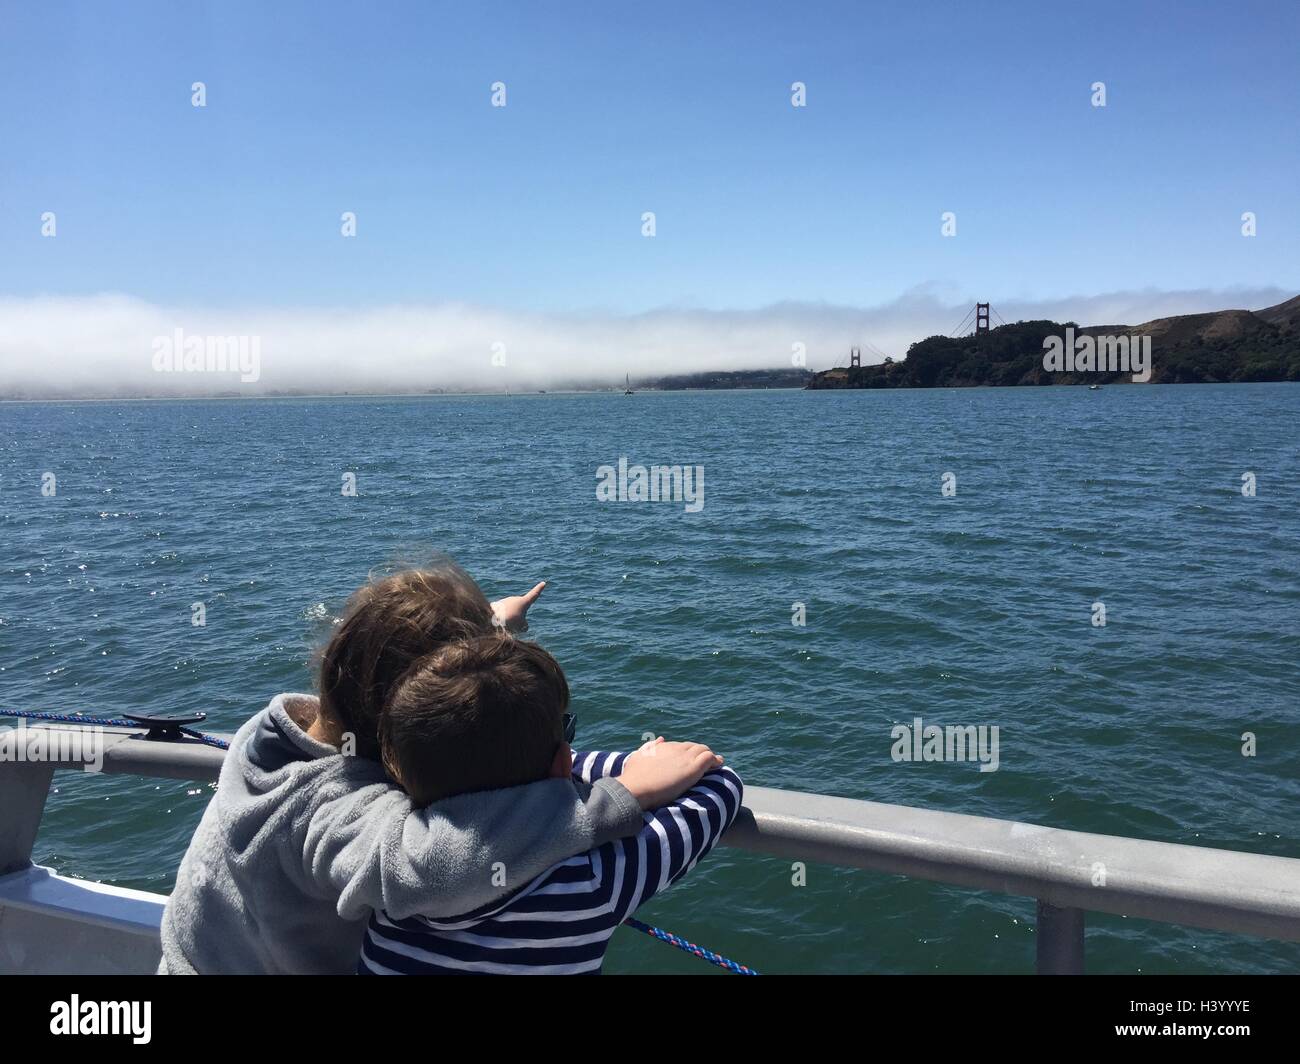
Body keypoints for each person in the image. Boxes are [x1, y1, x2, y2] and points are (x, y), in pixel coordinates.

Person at [160, 563, 709, 974]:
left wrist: (497, 623)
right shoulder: (337, 814)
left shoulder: (273, 731)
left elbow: (391, 666)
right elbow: (435, 863)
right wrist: (616, 798)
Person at [357, 633, 742, 974]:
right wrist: (633, 773)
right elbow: (719, 785)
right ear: (562, 763)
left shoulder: (379, 861)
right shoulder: (588, 882)